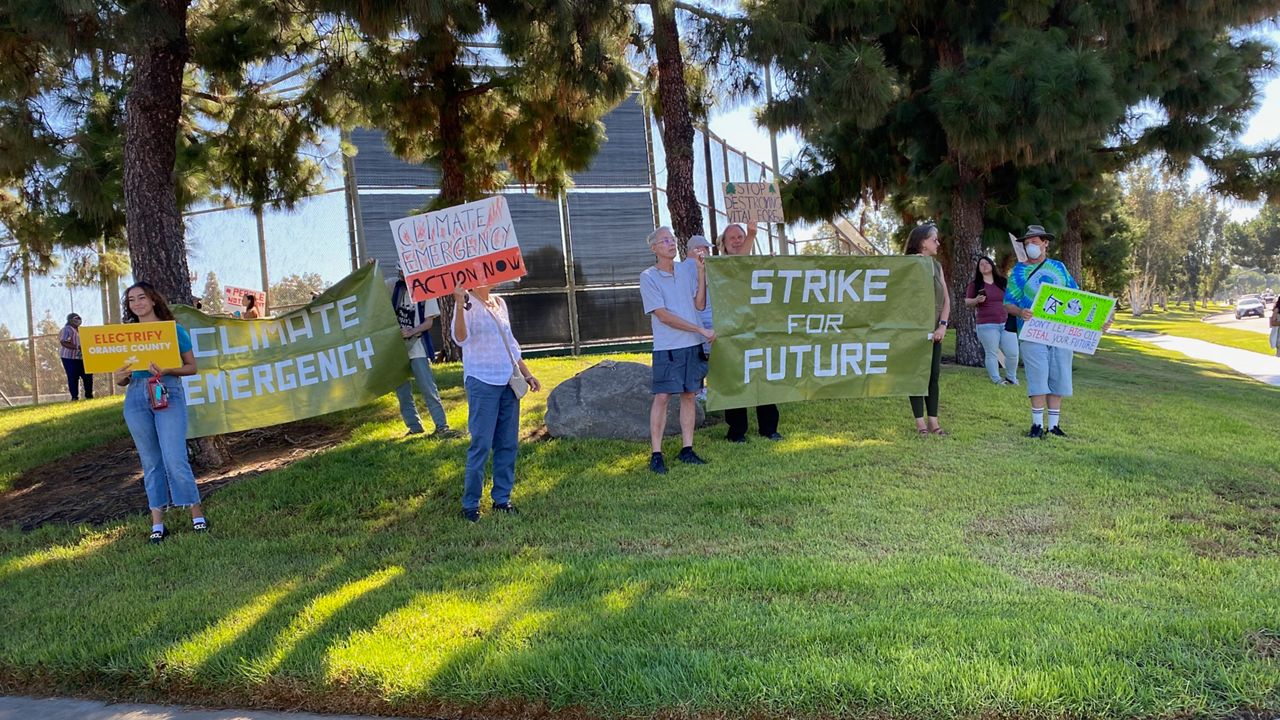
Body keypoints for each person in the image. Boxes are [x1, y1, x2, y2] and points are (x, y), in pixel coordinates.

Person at [112, 282, 206, 544]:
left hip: (168, 392)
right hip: (136, 398)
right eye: (131, 300)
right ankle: (158, 524)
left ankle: (196, 513)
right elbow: (122, 380)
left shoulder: (173, 331)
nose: (137, 303)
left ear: (154, 300)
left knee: (174, 457)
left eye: (142, 297)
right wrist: (119, 377)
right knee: (151, 462)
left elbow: (191, 367)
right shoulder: (125, 336)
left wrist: (167, 369)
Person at [1003, 224, 1109, 438]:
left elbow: (1077, 299)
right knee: (1037, 376)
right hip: (1033, 332)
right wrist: (1020, 312)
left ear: (1045, 243)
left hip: (1060, 333)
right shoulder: (1019, 271)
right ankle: (1036, 425)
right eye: (1027, 242)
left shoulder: (1059, 268)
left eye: (1034, 242)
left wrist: (1098, 322)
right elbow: (1008, 302)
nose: (1030, 246)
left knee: (1058, 376)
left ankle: (1053, 425)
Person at [451, 283, 541, 522]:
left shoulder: (500, 302)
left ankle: (502, 499)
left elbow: (511, 345)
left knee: (508, 443)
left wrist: (527, 374)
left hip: (508, 381)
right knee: (481, 443)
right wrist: (459, 304)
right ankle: (470, 504)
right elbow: (460, 338)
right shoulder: (466, 302)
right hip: (482, 381)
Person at [640, 226, 714, 473]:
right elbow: (663, 316)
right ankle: (656, 453)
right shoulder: (648, 276)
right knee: (662, 396)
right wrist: (701, 330)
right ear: (654, 248)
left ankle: (687, 449)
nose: (671, 244)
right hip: (668, 347)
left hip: (692, 345)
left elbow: (700, 303)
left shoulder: (686, 270)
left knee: (690, 395)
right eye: (664, 241)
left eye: (672, 240)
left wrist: (702, 273)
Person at [718, 222, 783, 442]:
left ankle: (769, 428)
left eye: (741, 236)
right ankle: (736, 431)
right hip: (732, 332)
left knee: (763, 377)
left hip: (759, 330)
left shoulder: (758, 265)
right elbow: (738, 265)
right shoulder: (720, 267)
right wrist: (753, 234)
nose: (737, 241)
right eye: (732, 238)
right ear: (724, 246)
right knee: (737, 379)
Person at [388, 270, 459, 438]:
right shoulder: (393, 286)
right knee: (402, 391)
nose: (402, 277)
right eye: (400, 274)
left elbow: (428, 322)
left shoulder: (426, 288)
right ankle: (414, 427)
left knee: (428, 387)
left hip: (417, 346)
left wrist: (412, 331)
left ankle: (441, 425)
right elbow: (372, 288)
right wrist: (371, 267)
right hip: (396, 348)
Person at [904, 224, 951, 436]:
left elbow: (946, 301)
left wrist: (942, 325)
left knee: (933, 375)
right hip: (912, 331)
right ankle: (920, 423)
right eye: (934, 239)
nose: (938, 243)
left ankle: (934, 421)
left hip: (935, 331)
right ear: (922, 242)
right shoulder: (906, 266)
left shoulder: (937, 267)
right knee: (915, 375)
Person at [965, 256, 1019, 385]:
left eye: (987, 263)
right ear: (978, 269)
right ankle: (996, 379)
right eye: (981, 264)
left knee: (1012, 353)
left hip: (1007, 322)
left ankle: (1011, 378)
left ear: (992, 265)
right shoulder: (975, 284)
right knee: (992, 353)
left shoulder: (1002, 282)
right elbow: (967, 302)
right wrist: (976, 300)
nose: (984, 265)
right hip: (986, 324)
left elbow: (1012, 298)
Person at [58, 313, 93, 400]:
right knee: (73, 376)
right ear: (70, 320)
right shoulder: (67, 329)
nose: (78, 320)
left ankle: (89, 395)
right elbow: (63, 342)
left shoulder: (80, 330)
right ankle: (74, 397)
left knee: (88, 376)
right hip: (69, 357)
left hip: (81, 357)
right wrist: (77, 347)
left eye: (79, 318)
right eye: (75, 318)